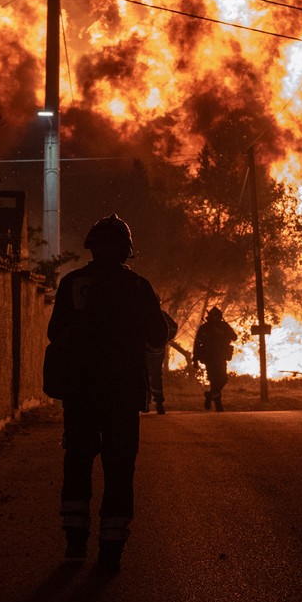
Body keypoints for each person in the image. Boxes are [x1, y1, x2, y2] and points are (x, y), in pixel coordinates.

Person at [48, 214, 167, 570]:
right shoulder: (137, 286)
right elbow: (158, 336)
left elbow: (55, 332)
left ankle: (74, 543)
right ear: (127, 251)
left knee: (78, 460)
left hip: (81, 390)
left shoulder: (72, 283)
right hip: (122, 392)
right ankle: (111, 549)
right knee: (119, 468)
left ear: (91, 245)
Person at [192, 306, 238, 412]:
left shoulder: (224, 326)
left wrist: (223, 332)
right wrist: (195, 359)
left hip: (221, 357)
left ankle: (210, 395)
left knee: (223, 379)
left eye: (216, 316)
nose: (214, 317)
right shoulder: (204, 328)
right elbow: (197, 344)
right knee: (214, 379)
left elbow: (234, 337)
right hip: (209, 358)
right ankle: (218, 404)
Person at [147, 309, 177, 415]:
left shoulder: (162, 315)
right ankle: (146, 401)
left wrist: (166, 338)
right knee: (145, 376)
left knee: (155, 375)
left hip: (156, 351)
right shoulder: (141, 313)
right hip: (145, 351)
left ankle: (159, 402)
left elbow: (173, 327)